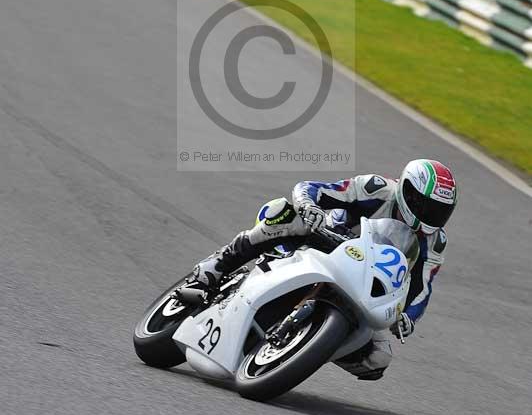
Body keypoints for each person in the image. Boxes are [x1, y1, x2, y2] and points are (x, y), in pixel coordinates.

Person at [178, 159, 457, 381]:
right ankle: (213, 269)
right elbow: (311, 188)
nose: (432, 216)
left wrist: (409, 317)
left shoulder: (436, 241)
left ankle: (308, 346)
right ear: (407, 190)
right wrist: (308, 206)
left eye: (440, 211)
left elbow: (421, 290)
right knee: (283, 215)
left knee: (377, 360)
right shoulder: (377, 188)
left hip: (365, 283)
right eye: (426, 206)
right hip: (330, 241)